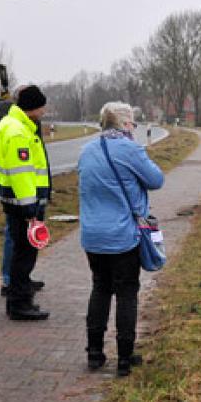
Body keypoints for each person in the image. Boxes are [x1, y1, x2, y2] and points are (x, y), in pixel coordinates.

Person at [78, 102, 164, 376]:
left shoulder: (87, 151)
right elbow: (156, 179)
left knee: (100, 287)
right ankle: (125, 358)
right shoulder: (130, 149)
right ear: (126, 124)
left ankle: (94, 353)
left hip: (92, 235)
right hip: (122, 235)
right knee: (127, 292)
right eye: (133, 124)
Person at [0, 85, 52, 320]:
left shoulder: (12, 124)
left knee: (22, 251)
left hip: (16, 200)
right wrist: (30, 208)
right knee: (24, 254)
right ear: (33, 107)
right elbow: (21, 172)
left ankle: (22, 297)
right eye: (42, 106)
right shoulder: (18, 131)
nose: (44, 111)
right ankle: (19, 304)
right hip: (23, 203)